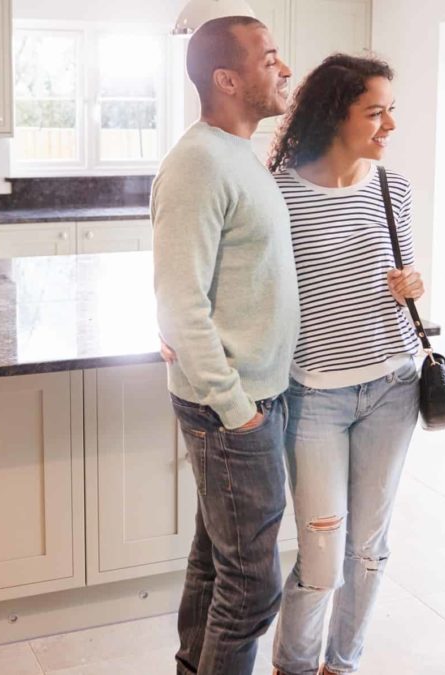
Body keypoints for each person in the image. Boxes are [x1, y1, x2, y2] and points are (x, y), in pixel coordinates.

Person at [267, 54, 425, 675]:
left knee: (368, 550)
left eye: (391, 111)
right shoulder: (279, 193)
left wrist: (412, 285)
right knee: (322, 556)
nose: (390, 125)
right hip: (314, 397)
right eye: (376, 112)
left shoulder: (393, 188)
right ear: (336, 114)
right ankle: (294, 666)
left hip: (393, 385)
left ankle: (342, 664)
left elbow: (402, 277)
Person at [151, 16, 298, 675]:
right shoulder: (199, 163)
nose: (284, 68)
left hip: (250, 396)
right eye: (270, 58)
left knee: (216, 566)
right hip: (231, 407)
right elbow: (180, 302)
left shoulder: (239, 153)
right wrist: (236, 409)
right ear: (227, 80)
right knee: (251, 588)